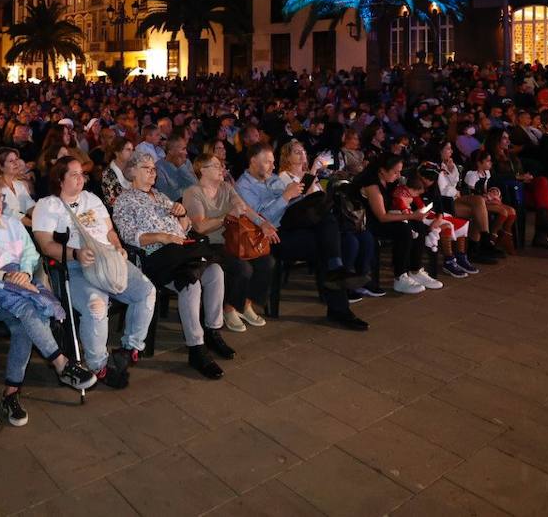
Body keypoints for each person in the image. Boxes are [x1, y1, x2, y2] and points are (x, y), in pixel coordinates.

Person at [0, 176, 97, 426]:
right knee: (29, 309)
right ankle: (61, 363)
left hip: (22, 287)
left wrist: (25, 273)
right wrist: (6, 275)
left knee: (24, 324)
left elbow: (30, 253)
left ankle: (11, 393)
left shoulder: (11, 223)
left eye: (0, 197)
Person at [32, 157, 156, 388]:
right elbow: (46, 246)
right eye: (74, 174)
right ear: (60, 179)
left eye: (82, 174)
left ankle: (129, 348)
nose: (81, 178)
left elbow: (109, 231)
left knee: (146, 291)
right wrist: (76, 254)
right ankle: (99, 366)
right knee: (96, 307)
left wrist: (117, 246)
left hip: (107, 260)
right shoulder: (48, 206)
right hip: (75, 267)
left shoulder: (92, 199)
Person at [112, 152, 234, 380]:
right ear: (132, 172)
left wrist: (182, 214)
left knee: (215, 271)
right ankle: (196, 348)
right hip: (155, 257)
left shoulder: (159, 196)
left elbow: (184, 228)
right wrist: (162, 237)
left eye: (154, 169)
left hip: (181, 253)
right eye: (147, 168)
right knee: (190, 282)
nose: (153, 172)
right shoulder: (124, 200)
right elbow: (128, 236)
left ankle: (212, 331)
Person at [235, 144, 365, 329]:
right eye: (268, 162)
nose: (273, 166)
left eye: (273, 162)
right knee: (329, 244)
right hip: (270, 236)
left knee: (329, 229)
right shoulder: (243, 186)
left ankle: (338, 289)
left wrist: (295, 195)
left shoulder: (272, 178)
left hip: (291, 225)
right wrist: (286, 196)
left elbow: (290, 205)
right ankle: (339, 306)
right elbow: (260, 220)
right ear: (253, 161)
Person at [184, 151, 276, 332]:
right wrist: (226, 217)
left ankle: (246, 305)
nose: (222, 168)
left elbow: (244, 208)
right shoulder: (192, 193)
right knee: (243, 268)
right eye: (216, 166)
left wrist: (262, 223)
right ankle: (229, 308)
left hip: (234, 241)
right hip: (209, 244)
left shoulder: (226, 187)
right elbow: (200, 227)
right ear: (202, 170)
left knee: (267, 262)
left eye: (221, 165)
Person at [359, 155, 440, 295]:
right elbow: (381, 217)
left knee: (418, 225)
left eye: (400, 172)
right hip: (370, 223)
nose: (399, 175)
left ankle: (415, 270)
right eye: (395, 172)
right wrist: (411, 215)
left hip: (387, 216)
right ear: (382, 170)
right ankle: (400, 276)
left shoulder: (390, 181)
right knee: (404, 229)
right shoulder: (372, 184)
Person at [0, 146, 35, 225]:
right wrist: (33, 224)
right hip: (5, 227)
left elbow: (29, 205)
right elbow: (8, 212)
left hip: (23, 225)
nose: (16, 163)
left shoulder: (19, 184)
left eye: (16, 159)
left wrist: (40, 217)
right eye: (11, 161)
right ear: (1, 167)